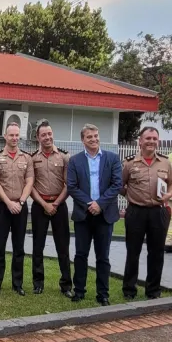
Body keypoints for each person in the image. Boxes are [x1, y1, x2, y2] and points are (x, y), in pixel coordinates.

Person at [67, 123, 122, 306]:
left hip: (105, 215)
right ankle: (79, 291)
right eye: (89, 136)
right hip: (83, 215)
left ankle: (103, 294)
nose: (94, 139)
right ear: (83, 140)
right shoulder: (74, 161)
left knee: (103, 256)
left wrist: (100, 204)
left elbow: (117, 184)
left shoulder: (112, 158)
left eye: (96, 136)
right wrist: (90, 203)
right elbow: (72, 186)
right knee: (80, 255)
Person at [121, 127, 172, 300]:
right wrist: (130, 195)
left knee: (157, 252)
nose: (151, 141)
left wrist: (168, 195)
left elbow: (171, 183)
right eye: (148, 138)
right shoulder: (129, 162)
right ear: (140, 141)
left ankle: (153, 290)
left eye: (154, 138)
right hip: (136, 212)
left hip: (159, 212)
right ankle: (129, 289)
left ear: (158, 141)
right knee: (132, 251)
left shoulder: (165, 162)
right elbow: (120, 184)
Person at [0, 122, 34, 296]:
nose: (14, 138)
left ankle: (17, 284)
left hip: (20, 206)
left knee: (19, 247)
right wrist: (9, 203)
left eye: (17, 135)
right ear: (5, 136)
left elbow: (29, 182)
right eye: (11, 135)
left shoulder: (27, 158)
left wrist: (20, 202)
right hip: (2, 206)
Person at [29, 120, 72, 298]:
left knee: (63, 246)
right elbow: (30, 185)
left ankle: (66, 285)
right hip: (39, 206)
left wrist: (55, 204)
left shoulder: (64, 157)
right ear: (38, 137)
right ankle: (38, 283)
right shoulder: (32, 158)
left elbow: (69, 184)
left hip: (59, 205)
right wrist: (44, 204)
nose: (47, 137)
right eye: (43, 135)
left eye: (49, 133)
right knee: (37, 246)